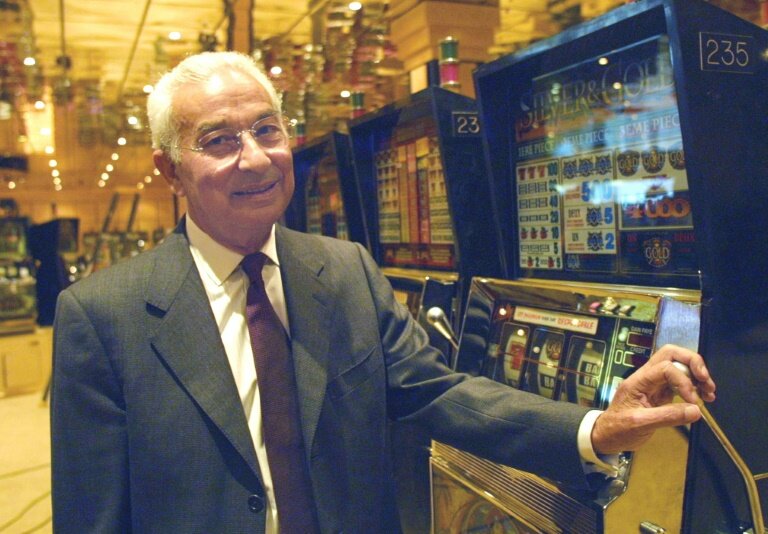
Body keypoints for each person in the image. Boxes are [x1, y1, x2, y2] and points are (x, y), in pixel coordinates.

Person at [50, 51, 716, 533]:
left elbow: (440, 394)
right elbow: (92, 515)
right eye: (218, 141)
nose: (253, 157)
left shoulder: (345, 270)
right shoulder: (102, 316)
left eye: (266, 130)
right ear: (170, 170)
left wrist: (595, 426)